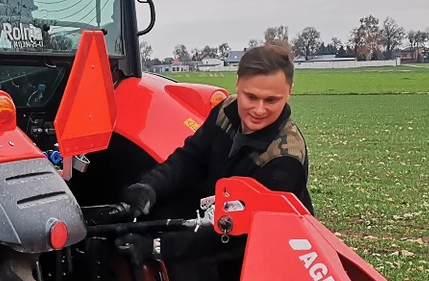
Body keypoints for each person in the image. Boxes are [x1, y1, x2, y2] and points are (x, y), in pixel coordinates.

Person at [120, 42, 313, 220]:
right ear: (238, 83)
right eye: (251, 97)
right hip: (216, 212)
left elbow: (241, 237)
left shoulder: (285, 159)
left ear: (289, 92)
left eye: (271, 100)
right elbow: (190, 159)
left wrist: (158, 246)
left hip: (256, 238)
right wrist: (150, 187)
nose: (259, 110)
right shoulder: (225, 111)